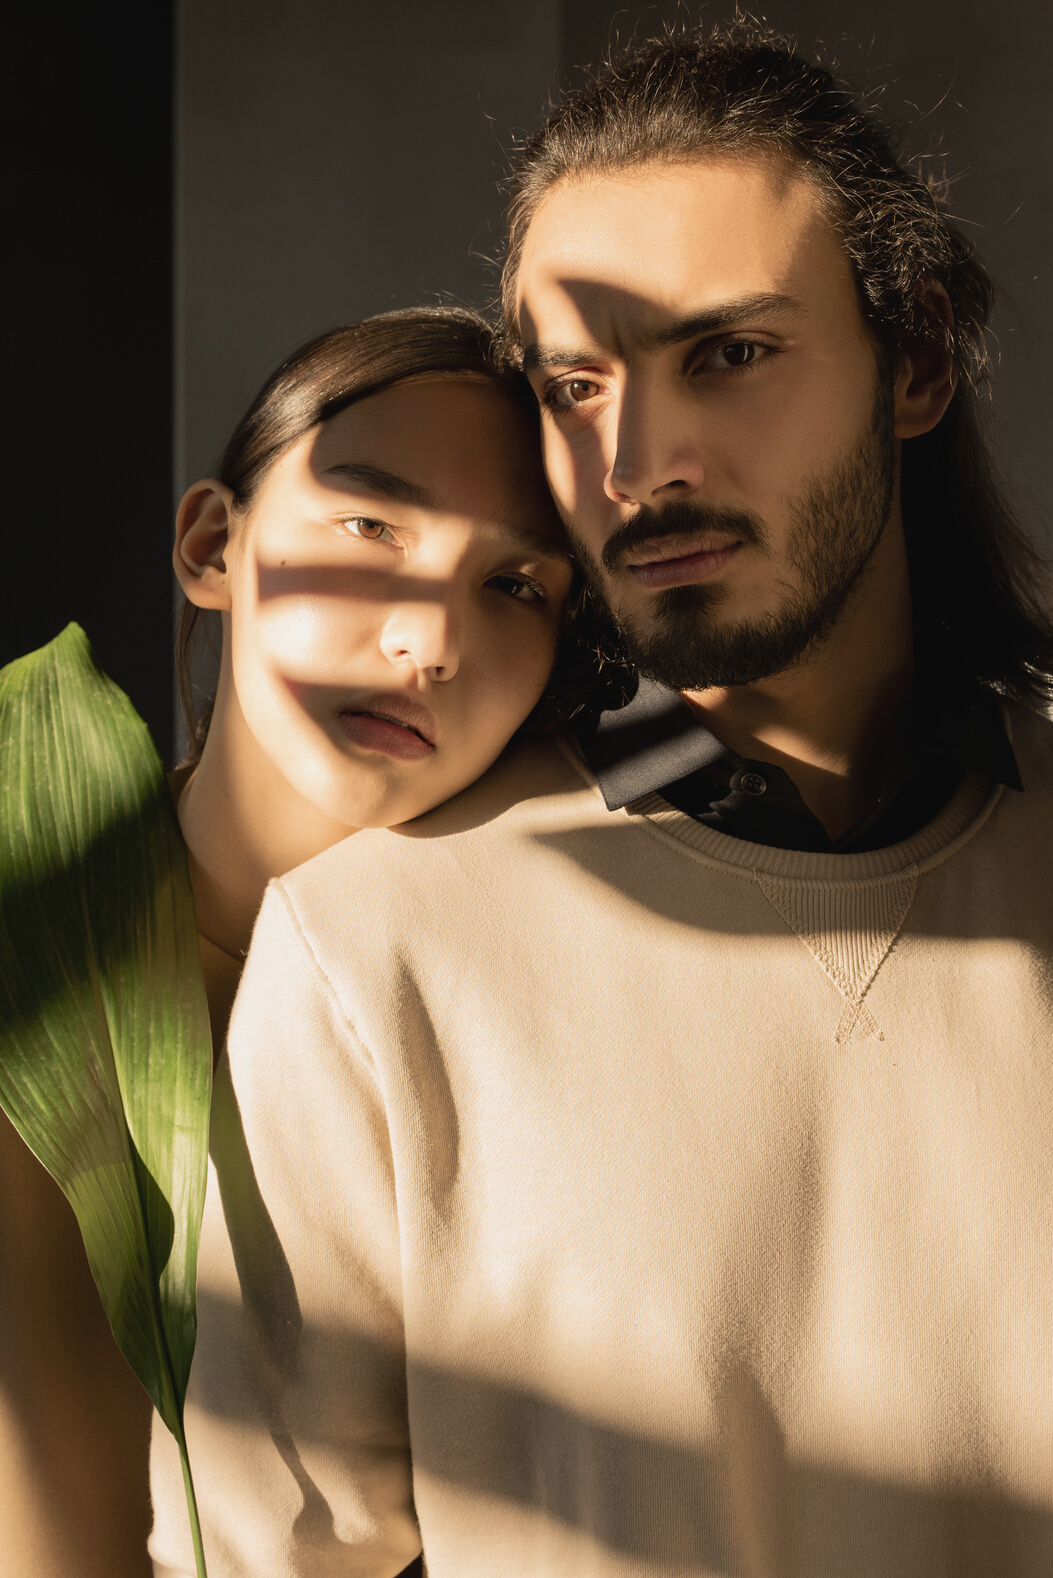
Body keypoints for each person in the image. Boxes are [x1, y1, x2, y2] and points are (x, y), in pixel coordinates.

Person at [149, 23, 1053, 1578]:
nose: (636, 460)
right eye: (576, 383)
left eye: (727, 353)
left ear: (913, 361)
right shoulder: (377, 951)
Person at [2, 306, 615, 1578]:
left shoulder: (553, 997)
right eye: (371, 527)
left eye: (516, 585)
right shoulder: (34, 888)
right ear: (212, 544)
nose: (428, 641)